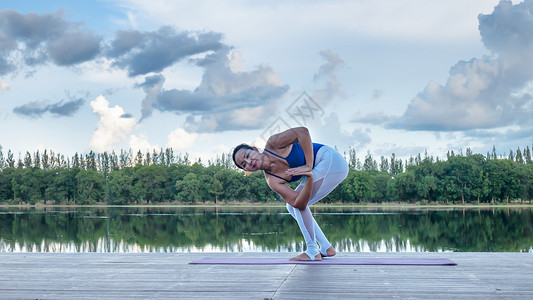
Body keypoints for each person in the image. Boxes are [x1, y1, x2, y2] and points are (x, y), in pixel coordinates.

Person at [232, 127, 348, 261]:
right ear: (246, 170)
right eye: (243, 164)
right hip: (325, 168)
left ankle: (312, 251)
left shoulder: (273, 144)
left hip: (329, 159)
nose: (249, 162)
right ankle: (326, 247)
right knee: (291, 206)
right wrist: (309, 178)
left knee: (296, 206)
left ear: (255, 149)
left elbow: (302, 132)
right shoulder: (272, 180)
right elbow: (298, 203)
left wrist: (308, 166)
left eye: (247, 156)